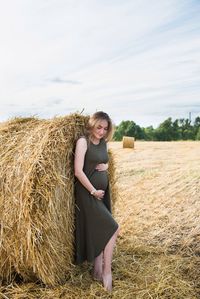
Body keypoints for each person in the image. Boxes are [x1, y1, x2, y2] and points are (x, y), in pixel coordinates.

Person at [74, 111, 119, 292]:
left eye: (105, 128)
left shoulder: (104, 143)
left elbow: (104, 160)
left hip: (102, 194)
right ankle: (107, 272)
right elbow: (78, 171)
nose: (101, 131)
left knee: (101, 229)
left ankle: (97, 270)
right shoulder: (83, 142)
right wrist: (92, 190)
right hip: (87, 193)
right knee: (113, 228)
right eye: (99, 127)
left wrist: (107, 166)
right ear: (92, 124)